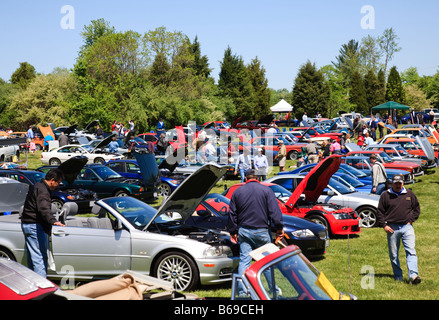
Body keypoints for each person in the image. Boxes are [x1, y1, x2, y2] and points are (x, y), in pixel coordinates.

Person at [228, 169, 284, 296]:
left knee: (244, 261)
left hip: (244, 231)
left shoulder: (237, 192)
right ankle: (273, 291)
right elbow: (275, 212)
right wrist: (279, 228)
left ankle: (242, 292)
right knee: (267, 262)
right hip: (262, 231)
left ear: (245, 179)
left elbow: (232, 214)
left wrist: (233, 231)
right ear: (258, 179)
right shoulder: (266, 191)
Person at [376, 174, 421, 284]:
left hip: (407, 227)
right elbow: (380, 212)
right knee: (394, 254)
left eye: (399, 183)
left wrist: (410, 220)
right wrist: (384, 225)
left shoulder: (409, 194)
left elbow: (416, 208)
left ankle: (413, 276)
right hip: (392, 228)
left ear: (403, 183)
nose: (397, 185)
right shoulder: (385, 195)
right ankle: (398, 276)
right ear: (392, 183)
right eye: (395, 183)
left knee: (411, 251)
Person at [20, 168, 65, 278]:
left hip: (29, 224)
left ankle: (33, 283)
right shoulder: (43, 191)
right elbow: (43, 209)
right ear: (52, 180)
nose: (58, 185)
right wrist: (53, 221)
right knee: (39, 257)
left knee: (34, 257)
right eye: (58, 182)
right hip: (34, 225)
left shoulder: (38, 186)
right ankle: (42, 288)